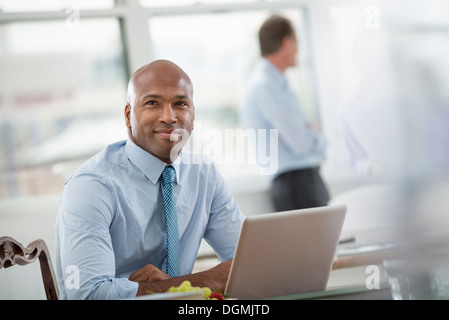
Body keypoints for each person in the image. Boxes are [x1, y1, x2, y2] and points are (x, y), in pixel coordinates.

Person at [54, 59, 245, 299]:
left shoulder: (204, 174)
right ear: (128, 115)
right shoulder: (91, 186)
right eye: (152, 103)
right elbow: (87, 294)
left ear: (193, 115)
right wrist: (204, 280)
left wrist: (175, 284)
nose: (169, 117)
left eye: (180, 103)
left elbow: (249, 262)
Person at [240, 15, 330, 211]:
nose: (299, 48)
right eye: (297, 42)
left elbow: (297, 134)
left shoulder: (273, 84)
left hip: (299, 183)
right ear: (286, 43)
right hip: (298, 185)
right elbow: (301, 142)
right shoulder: (267, 86)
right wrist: (319, 138)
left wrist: (307, 132)